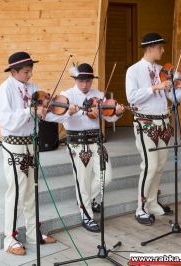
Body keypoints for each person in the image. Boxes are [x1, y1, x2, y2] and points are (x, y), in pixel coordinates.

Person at [126, 33, 181, 225]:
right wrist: (155, 87)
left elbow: (174, 98)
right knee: (149, 166)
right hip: (145, 123)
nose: (163, 50)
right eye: (160, 47)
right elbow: (131, 98)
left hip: (164, 123)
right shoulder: (134, 71)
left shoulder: (164, 70)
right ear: (150, 48)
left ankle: (153, 203)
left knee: (160, 166)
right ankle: (140, 208)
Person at [45, 63, 124, 232]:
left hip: (97, 141)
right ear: (75, 79)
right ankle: (86, 215)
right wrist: (70, 113)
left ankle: (85, 199)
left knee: (106, 177)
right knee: (82, 180)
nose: (85, 85)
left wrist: (117, 112)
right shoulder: (67, 95)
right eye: (81, 81)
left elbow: (109, 119)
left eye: (88, 81)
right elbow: (52, 116)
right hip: (77, 143)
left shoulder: (99, 95)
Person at [0, 51, 56, 256]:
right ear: (14, 71)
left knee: (31, 192)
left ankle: (32, 232)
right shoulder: (5, 90)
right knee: (16, 192)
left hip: (32, 144)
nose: (30, 75)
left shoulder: (34, 88)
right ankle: (9, 239)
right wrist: (30, 111)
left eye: (31, 71)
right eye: (26, 72)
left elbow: (41, 112)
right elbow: (5, 120)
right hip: (14, 146)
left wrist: (54, 109)